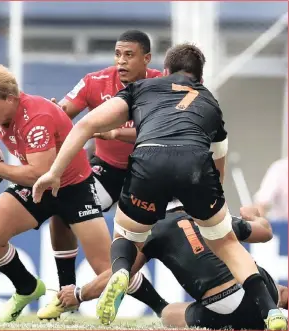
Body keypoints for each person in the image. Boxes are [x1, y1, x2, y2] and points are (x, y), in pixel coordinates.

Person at [32, 43, 287, 329]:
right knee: (227, 243)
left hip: (148, 159)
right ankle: (272, 312)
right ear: (200, 79)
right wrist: (216, 208)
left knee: (127, 241)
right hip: (196, 168)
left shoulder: (142, 88)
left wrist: (54, 172)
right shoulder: (210, 102)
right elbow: (219, 168)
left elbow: (85, 125)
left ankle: (120, 270)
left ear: (164, 72)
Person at [0, 63, 112, 322]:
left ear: (11, 99)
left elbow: (42, 172)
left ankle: (83, 300)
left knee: (109, 271)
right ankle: (27, 288)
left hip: (74, 187)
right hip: (35, 187)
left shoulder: (37, 118)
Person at [38, 29, 163, 320]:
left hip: (149, 175)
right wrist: (54, 114)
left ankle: (164, 308)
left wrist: (116, 132)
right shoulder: (96, 81)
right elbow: (63, 114)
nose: (121, 61)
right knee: (63, 208)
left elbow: (160, 130)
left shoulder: (162, 83)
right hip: (107, 171)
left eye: (129, 55)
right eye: (118, 54)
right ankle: (66, 294)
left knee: (156, 241)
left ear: (147, 59)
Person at [58, 202, 286, 330]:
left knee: (167, 314)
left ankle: (159, 304)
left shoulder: (153, 230)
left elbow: (117, 275)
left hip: (221, 308)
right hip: (257, 291)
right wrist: (253, 215)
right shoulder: (211, 216)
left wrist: (78, 294)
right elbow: (265, 233)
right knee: (282, 293)